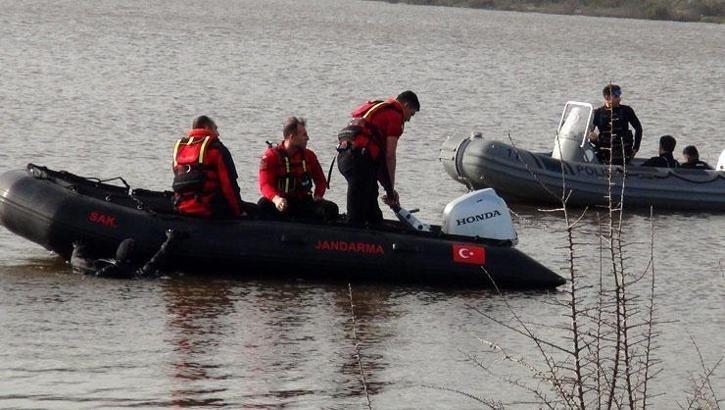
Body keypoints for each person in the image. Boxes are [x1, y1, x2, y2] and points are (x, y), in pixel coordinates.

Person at [337, 90, 420, 226]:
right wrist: (390, 191)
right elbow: (390, 156)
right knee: (357, 213)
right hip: (358, 161)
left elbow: (378, 159)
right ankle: (352, 229)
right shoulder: (395, 115)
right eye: (411, 114)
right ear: (405, 105)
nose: (409, 119)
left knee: (371, 204)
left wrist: (389, 189)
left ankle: (374, 225)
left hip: (344, 158)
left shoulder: (378, 109)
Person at [172, 115, 256, 218]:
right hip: (210, 209)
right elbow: (229, 185)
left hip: (182, 207)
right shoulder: (217, 149)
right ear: (207, 127)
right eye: (215, 129)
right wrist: (239, 212)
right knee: (256, 210)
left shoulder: (180, 148)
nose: (218, 133)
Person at [258, 117, 338, 221]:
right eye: (304, 135)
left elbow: (321, 181)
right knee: (263, 204)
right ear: (292, 137)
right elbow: (264, 184)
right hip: (282, 203)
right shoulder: (271, 156)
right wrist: (276, 199)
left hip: (304, 202)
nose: (307, 138)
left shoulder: (309, 156)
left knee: (331, 208)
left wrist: (318, 195)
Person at [71, 230, 179, 278]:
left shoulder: (103, 270)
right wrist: (171, 239)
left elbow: (77, 262)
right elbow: (158, 258)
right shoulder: (140, 273)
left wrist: (77, 248)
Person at [588, 84, 643, 165]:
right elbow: (589, 131)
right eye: (616, 96)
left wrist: (635, 148)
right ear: (607, 97)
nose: (619, 99)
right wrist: (592, 136)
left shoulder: (626, 110)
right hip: (603, 150)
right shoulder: (597, 113)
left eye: (619, 96)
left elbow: (638, 128)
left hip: (622, 152)